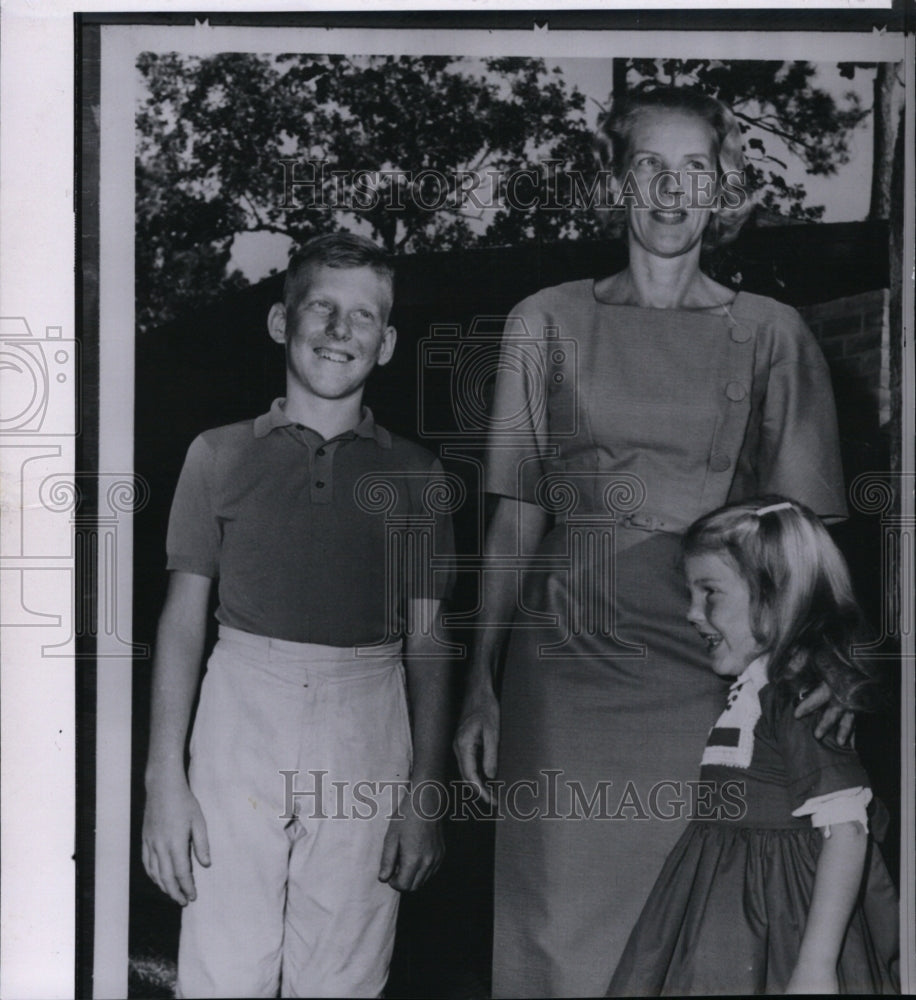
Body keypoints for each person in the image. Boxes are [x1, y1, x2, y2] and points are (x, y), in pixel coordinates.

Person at [454, 86, 853, 997]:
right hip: (565, 663)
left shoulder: (774, 335)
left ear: (723, 187)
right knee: (557, 924)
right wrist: (480, 681)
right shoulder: (542, 321)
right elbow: (515, 514)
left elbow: (806, 537)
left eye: (695, 169)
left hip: (711, 664)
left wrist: (816, 665)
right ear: (613, 183)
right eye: (649, 167)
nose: (672, 192)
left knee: (700, 918)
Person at [141, 232, 454, 998]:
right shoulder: (217, 455)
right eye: (321, 307)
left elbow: (430, 641)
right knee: (225, 959)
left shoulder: (415, 472)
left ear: (386, 344)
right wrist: (163, 780)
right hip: (243, 699)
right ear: (283, 324)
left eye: (363, 316)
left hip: (366, 710)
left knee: (343, 964)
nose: (340, 329)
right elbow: (183, 620)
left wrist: (425, 790)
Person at [609, 496, 899, 996]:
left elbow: (847, 831)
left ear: (775, 596)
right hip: (721, 908)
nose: (691, 613)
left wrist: (816, 966)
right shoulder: (753, 689)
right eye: (690, 594)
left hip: (780, 915)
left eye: (710, 594)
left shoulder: (800, 698)